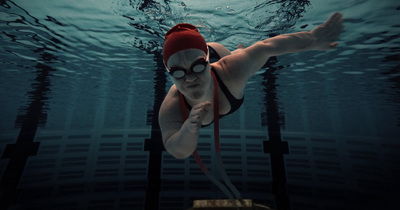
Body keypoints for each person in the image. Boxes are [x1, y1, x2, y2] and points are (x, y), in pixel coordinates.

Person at [159, 12, 344, 159]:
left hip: (219, 53)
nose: (190, 78)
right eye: (178, 72)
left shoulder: (231, 71)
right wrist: (188, 130)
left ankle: (237, 51)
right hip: (201, 53)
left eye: (198, 66)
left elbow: (266, 46)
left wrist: (312, 39)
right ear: (169, 72)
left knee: (239, 56)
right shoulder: (173, 104)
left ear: (207, 61)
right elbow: (177, 150)